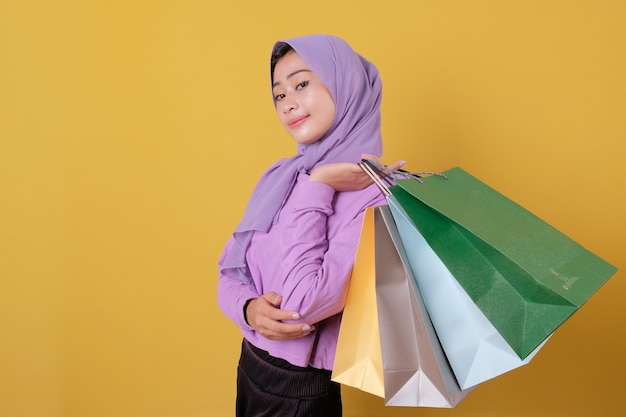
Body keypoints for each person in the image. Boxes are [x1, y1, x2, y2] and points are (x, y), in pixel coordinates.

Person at [217, 34, 401, 417]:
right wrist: (249, 309)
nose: (288, 103)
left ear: (344, 84)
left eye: (301, 84)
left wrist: (319, 187)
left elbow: (303, 305)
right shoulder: (282, 176)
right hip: (249, 368)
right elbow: (228, 272)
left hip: (299, 391)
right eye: (279, 94)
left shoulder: (374, 197)